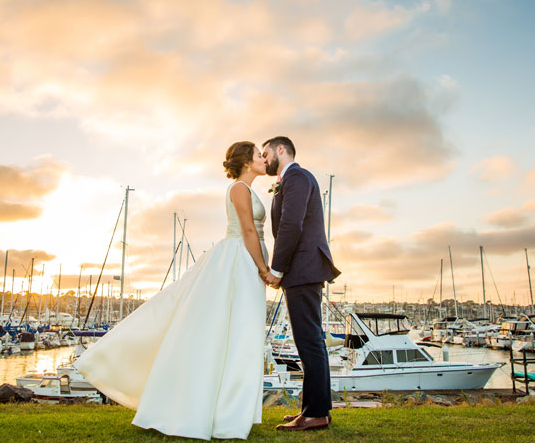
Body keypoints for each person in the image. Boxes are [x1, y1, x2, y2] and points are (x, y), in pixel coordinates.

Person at [74, 142, 269, 440]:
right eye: (258, 155)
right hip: (239, 259)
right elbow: (248, 230)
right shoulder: (239, 188)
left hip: (245, 258)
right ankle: (212, 411)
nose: (263, 159)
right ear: (245, 162)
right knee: (228, 329)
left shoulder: (249, 188)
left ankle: (228, 411)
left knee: (240, 332)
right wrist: (264, 269)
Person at [262, 136, 341, 432]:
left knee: (308, 341)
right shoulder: (295, 178)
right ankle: (316, 408)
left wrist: (277, 270)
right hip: (305, 270)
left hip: (303, 269)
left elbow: (290, 225)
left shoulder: (297, 177)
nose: (263, 157)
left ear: (280, 149)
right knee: (309, 341)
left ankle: (315, 414)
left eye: (265, 152)